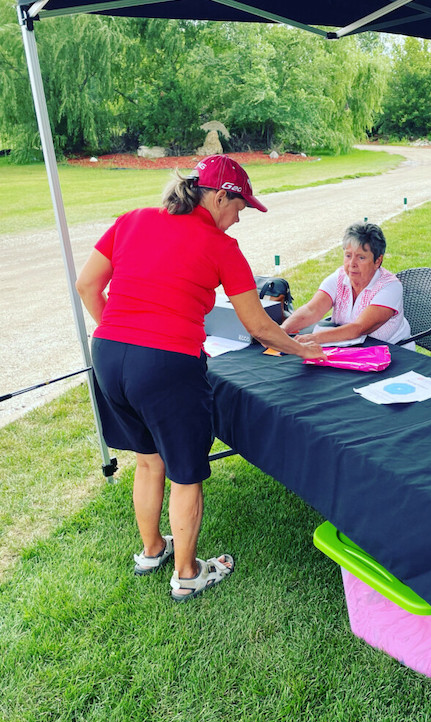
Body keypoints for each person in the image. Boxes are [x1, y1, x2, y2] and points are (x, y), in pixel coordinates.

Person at [75, 154, 325, 602]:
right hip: (169, 365)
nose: (237, 220)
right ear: (219, 196)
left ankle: (152, 550)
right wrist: (302, 347)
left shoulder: (132, 219)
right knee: (185, 474)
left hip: (108, 355)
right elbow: (260, 326)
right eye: (238, 208)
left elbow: (87, 286)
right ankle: (188, 573)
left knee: (148, 460)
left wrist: (122, 332)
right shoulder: (221, 247)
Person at [280, 221, 412, 346]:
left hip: (393, 354)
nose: (352, 264)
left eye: (361, 257)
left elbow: (358, 328)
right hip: (349, 348)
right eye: (348, 255)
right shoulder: (339, 277)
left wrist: (314, 338)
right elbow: (312, 310)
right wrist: (282, 330)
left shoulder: (390, 287)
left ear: (378, 261)